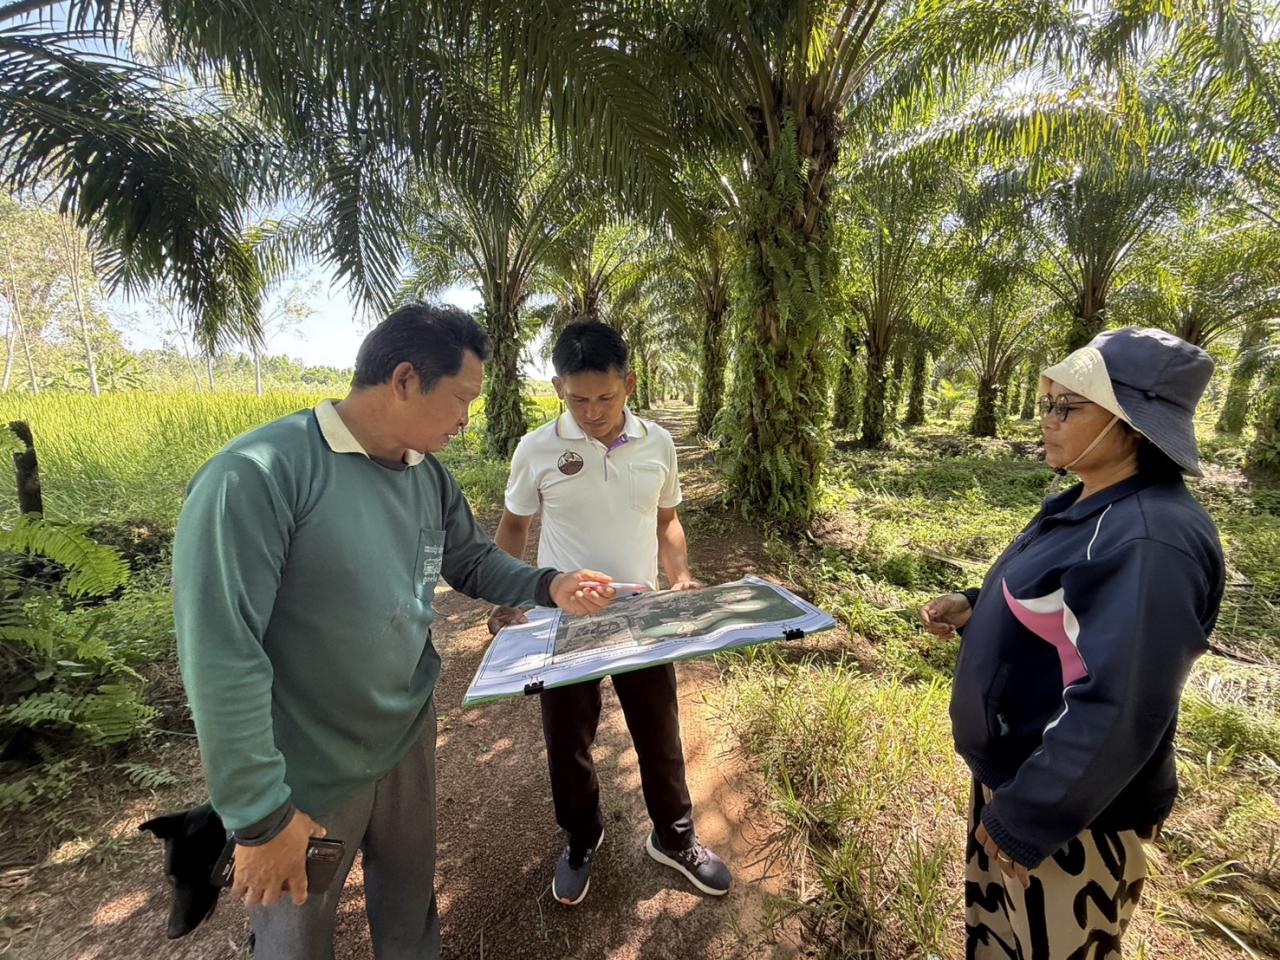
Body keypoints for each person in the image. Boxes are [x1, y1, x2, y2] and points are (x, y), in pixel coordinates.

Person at [172, 303, 616, 960]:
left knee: (410, 915)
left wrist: (547, 584)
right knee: (295, 940)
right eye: (462, 398)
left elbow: (468, 557)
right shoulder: (261, 476)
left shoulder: (424, 474)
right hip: (306, 773)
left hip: (405, 742)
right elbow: (221, 654)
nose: (468, 418)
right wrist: (261, 818)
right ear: (405, 379)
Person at [920, 327, 1225, 958]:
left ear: (1133, 422)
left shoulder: (1148, 540)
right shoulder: (1092, 502)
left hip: (1072, 817)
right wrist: (976, 609)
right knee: (995, 937)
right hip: (1022, 781)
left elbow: (1121, 702)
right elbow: (1064, 615)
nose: (1049, 421)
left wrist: (1032, 816)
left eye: (1070, 406)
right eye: (1047, 403)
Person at [487, 320, 732, 906]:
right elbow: (516, 526)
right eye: (578, 399)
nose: (592, 412)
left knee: (659, 730)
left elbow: (667, 520)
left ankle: (674, 838)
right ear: (557, 388)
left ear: (630, 382)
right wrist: (507, 593)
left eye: (606, 397)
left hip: (640, 615)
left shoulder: (659, 444)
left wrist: (681, 578)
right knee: (567, 738)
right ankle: (580, 836)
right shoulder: (536, 448)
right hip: (563, 620)